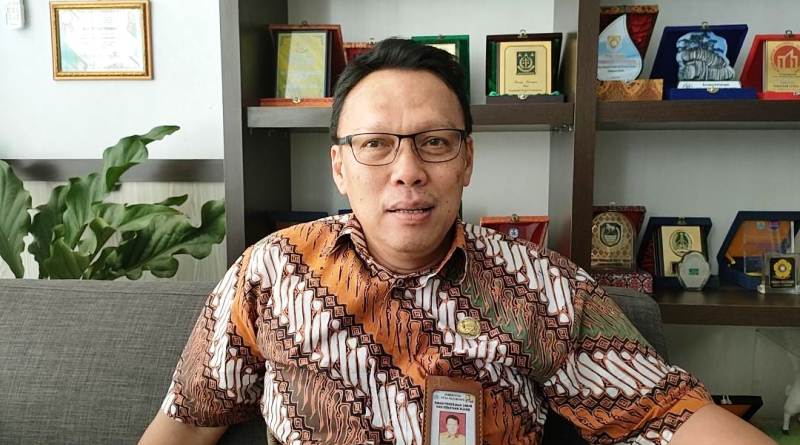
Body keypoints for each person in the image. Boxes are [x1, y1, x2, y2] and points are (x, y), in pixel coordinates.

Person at [140, 38, 775, 445]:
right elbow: (189, 422)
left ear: (467, 160)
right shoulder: (271, 271)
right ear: (339, 166)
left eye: (434, 142)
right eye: (375, 144)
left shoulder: (541, 288)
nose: (407, 170)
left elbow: (671, 416)